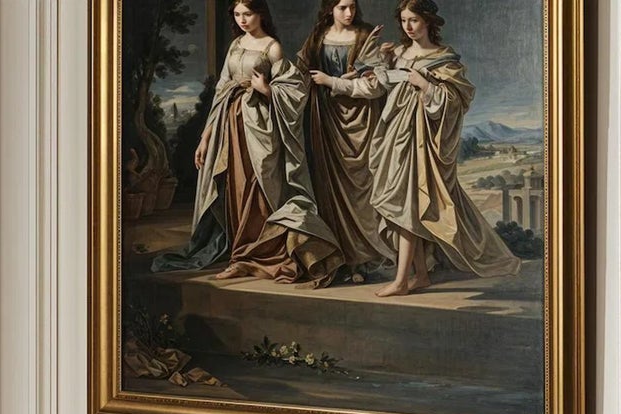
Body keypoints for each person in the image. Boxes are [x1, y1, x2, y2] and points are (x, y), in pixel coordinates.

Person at [152, 0, 341, 285]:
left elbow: (295, 92)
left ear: (260, 14)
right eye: (238, 14)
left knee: (259, 189)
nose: (242, 19)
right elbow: (220, 92)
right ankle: (239, 257)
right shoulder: (236, 44)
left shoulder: (272, 47)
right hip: (230, 125)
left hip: (260, 129)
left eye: (248, 13)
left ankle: (258, 254)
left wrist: (266, 90)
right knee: (235, 192)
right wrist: (205, 138)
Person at [367, 0, 518, 294]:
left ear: (428, 21)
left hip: (423, 142)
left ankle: (401, 281)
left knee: (410, 205)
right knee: (404, 205)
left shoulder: (444, 58)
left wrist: (422, 83)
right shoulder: (398, 53)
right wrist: (380, 61)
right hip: (395, 136)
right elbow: (380, 84)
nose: (408, 27)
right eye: (404, 21)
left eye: (414, 20)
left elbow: (456, 102)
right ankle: (420, 275)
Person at [302, 0, 391, 278]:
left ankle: (368, 257)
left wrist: (334, 81)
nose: (349, 13)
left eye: (352, 6)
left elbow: (377, 85)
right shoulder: (317, 38)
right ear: (330, 8)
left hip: (363, 123)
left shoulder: (366, 36)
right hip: (327, 123)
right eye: (342, 7)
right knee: (330, 189)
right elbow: (300, 74)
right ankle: (339, 257)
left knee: (364, 187)